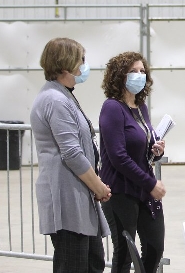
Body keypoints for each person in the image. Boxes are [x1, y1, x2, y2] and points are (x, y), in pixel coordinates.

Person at [30, 38, 111, 273]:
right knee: (73, 265)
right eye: (81, 60)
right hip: (65, 197)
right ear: (65, 65)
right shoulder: (55, 100)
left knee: (93, 262)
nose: (84, 66)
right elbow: (72, 153)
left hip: (77, 195)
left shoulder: (63, 95)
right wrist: (98, 187)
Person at [98, 51, 167, 273]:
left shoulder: (141, 106)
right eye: (133, 71)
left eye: (142, 71)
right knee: (124, 252)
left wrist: (155, 151)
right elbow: (118, 156)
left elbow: (141, 145)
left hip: (143, 187)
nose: (139, 75)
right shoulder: (112, 108)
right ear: (120, 76)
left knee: (155, 247)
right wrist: (150, 183)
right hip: (120, 189)